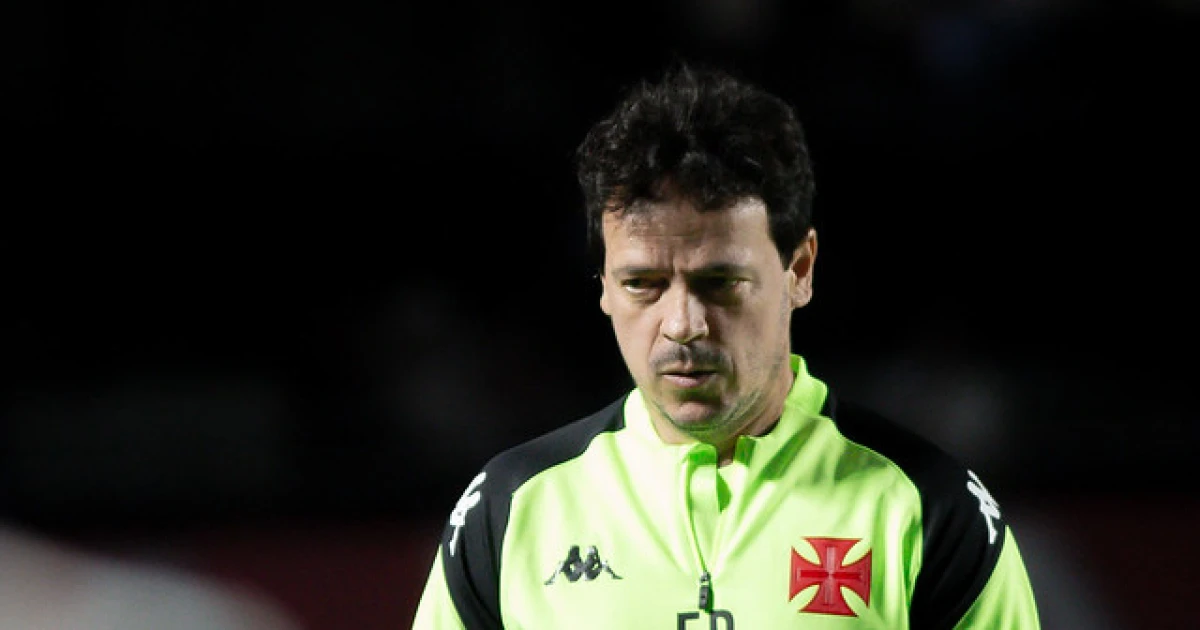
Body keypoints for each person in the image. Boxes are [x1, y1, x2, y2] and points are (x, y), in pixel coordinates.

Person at [410, 59, 1041, 629]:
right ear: (602, 284)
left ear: (799, 270)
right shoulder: (510, 512)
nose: (682, 324)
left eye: (719, 282)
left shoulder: (927, 510)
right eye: (642, 284)